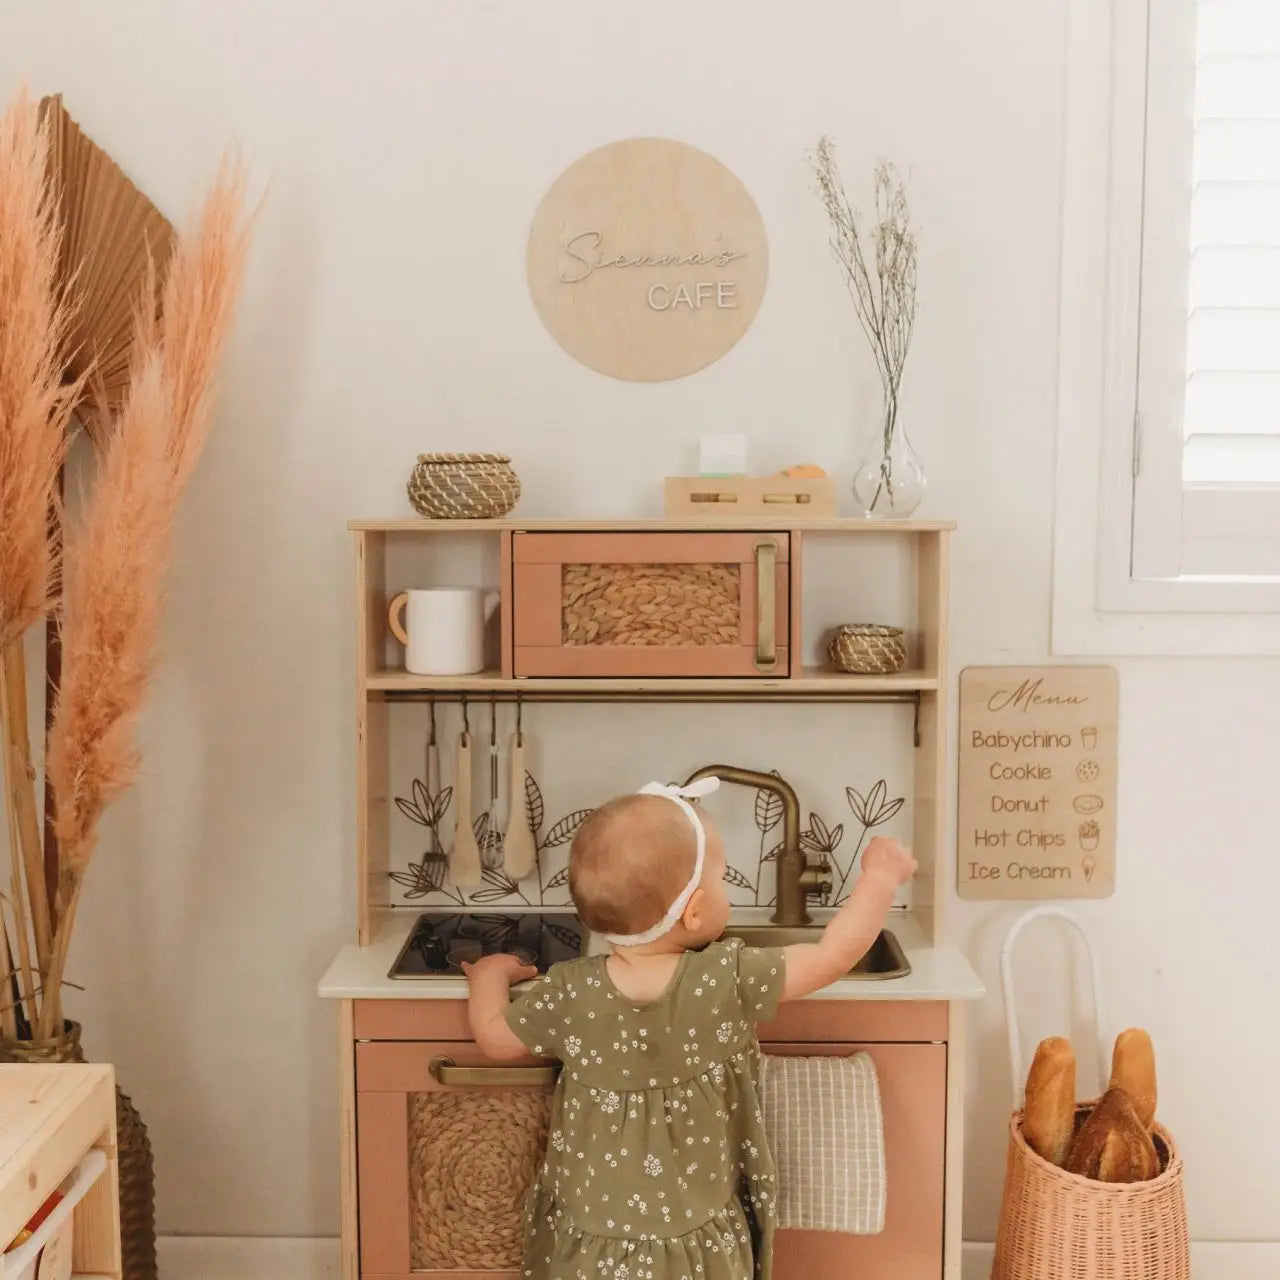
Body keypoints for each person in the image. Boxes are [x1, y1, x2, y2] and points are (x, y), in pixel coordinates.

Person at [464, 777, 916, 1280]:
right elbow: (833, 957)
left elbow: (494, 1038)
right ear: (696, 910)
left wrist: (489, 976)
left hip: (590, 1244)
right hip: (694, 1243)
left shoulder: (569, 990)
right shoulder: (724, 978)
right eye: (722, 881)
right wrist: (880, 879)